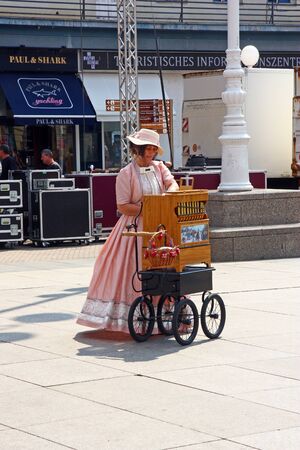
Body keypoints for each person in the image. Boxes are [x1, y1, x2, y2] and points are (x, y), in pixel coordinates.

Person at [77, 128, 179, 332]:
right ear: (138, 149)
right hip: (134, 227)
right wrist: (148, 208)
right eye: (147, 149)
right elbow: (122, 205)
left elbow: (173, 184)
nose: (150, 154)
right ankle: (135, 313)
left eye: (153, 149)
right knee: (133, 266)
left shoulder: (160, 168)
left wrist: (167, 196)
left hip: (158, 226)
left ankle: (165, 312)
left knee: (163, 265)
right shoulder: (126, 173)